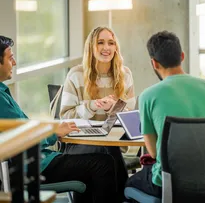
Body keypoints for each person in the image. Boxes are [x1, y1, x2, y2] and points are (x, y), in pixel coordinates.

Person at [0, 35, 119, 203]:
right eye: (10, 58)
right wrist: (53, 132)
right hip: (32, 166)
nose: (14, 63)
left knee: (99, 162)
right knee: (103, 163)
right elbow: (22, 136)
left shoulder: (2, 92)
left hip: (35, 160)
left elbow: (22, 128)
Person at [125, 31, 205, 198]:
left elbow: (153, 152)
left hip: (169, 181)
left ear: (154, 63)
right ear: (182, 56)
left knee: (127, 182)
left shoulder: (148, 96)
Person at [59, 26, 135, 201]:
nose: (106, 48)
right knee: (106, 153)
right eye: (100, 42)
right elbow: (65, 116)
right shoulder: (76, 75)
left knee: (108, 151)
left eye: (111, 43)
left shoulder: (125, 75)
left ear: (116, 48)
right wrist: (91, 106)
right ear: (91, 47)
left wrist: (113, 109)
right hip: (79, 142)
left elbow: (131, 116)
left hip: (111, 144)